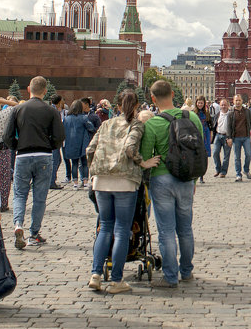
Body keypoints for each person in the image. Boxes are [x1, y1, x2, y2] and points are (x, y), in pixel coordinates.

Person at [87, 90, 155, 295]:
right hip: (124, 182)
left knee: (105, 227)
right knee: (122, 230)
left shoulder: (106, 124)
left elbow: (90, 149)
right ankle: (117, 280)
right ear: (136, 107)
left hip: (101, 181)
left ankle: (96, 275)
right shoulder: (136, 124)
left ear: (116, 106)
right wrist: (143, 162)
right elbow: (129, 148)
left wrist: (93, 173)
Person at [140, 80, 202, 288]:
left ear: (153, 99)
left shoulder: (152, 124)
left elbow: (146, 155)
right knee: (185, 228)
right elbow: (199, 148)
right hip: (186, 179)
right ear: (173, 93)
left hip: (162, 179)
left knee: (166, 230)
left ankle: (170, 276)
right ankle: (186, 271)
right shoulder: (192, 117)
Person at [4, 76, 65, 249]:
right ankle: (34, 234)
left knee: (19, 194)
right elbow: (60, 137)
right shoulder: (51, 111)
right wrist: (50, 146)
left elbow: (7, 136)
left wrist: (18, 146)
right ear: (45, 91)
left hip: (23, 155)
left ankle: (18, 225)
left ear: (28, 89)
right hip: (44, 155)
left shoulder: (18, 109)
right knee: (39, 197)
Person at [62, 100, 97, 189]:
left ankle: (75, 183)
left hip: (71, 143)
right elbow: (91, 128)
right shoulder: (84, 117)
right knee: (84, 163)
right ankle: (85, 182)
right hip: (82, 142)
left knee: (74, 163)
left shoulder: (66, 118)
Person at [228, 95, 251, 182]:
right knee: (237, 157)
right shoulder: (231, 112)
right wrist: (229, 138)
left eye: (239, 100)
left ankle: (246, 170)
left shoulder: (247, 111)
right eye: (236, 100)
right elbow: (228, 126)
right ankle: (238, 174)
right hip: (236, 138)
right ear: (233, 101)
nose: (238, 102)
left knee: (248, 154)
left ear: (242, 101)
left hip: (246, 136)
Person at [211, 98, 232, 177]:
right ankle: (218, 169)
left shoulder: (231, 115)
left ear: (228, 105)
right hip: (218, 135)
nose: (223, 106)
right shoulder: (218, 114)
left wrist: (230, 137)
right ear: (220, 106)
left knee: (226, 155)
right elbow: (214, 124)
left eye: (225, 105)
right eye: (222, 105)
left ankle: (223, 172)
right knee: (215, 153)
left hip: (227, 136)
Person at [193, 97, 212, 183]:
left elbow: (210, 125)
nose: (200, 104)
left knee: (204, 156)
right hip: (196, 134)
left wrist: (210, 136)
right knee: (195, 155)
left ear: (204, 104)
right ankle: (195, 175)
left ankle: (201, 176)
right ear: (196, 103)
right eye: (198, 103)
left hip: (205, 134)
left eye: (201, 103)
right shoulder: (193, 113)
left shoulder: (206, 113)